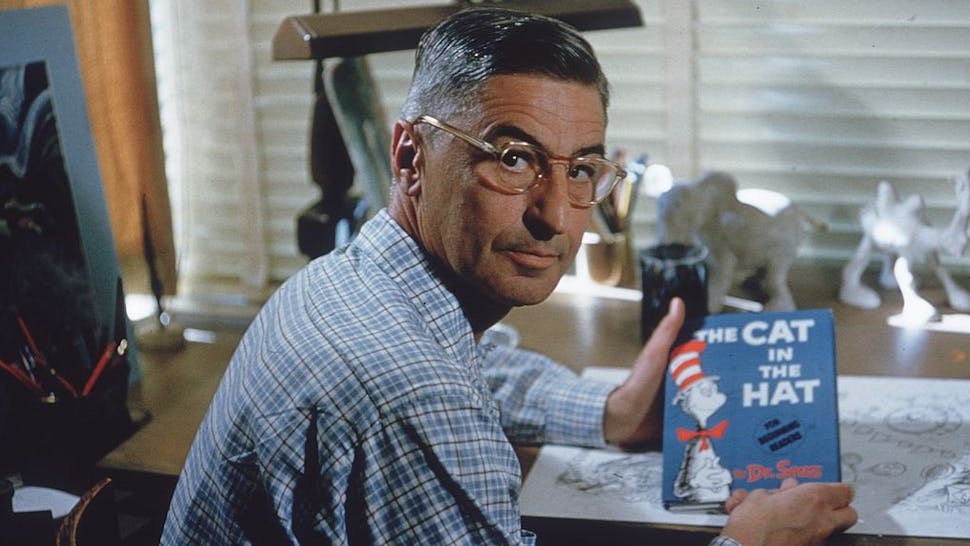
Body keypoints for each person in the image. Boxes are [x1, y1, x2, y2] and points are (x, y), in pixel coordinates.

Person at [162, 7, 856, 545]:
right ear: (410, 156)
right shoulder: (412, 400)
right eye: (514, 159)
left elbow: (475, 365)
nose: (556, 215)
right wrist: (752, 539)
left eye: (581, 169)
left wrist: (610, 413)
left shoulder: (358, 280)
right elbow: (433, 395)